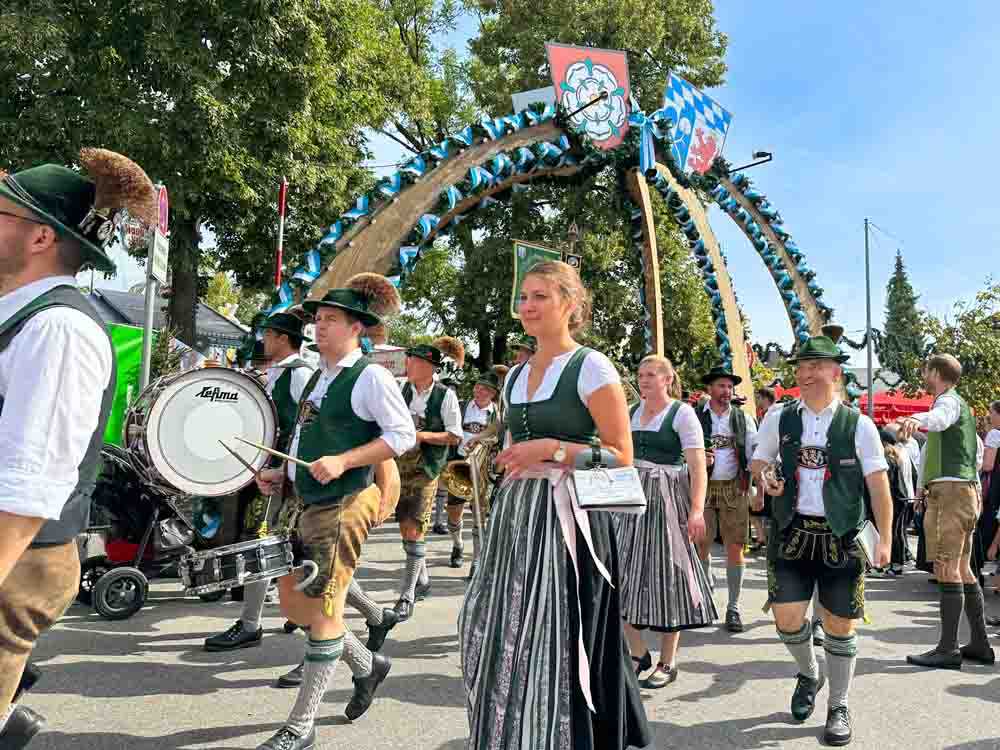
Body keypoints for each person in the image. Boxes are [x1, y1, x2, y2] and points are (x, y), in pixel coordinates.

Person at [459, 260, 650, 750]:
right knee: (499, 622)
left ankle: (576, 734)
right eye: (524, 297)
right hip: (517, 514)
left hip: (571, 518)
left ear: (570, 303)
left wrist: (550, 449)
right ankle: (518, 728)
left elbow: (621, 455)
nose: (527, 306)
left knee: (566, 631)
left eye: (541, 296)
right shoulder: (516, 375)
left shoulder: (591, 366)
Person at [0, 149, 156, 748]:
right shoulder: (24, 317)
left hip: (17, 559)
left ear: (40, 236)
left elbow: (28, 483)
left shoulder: (58, 328)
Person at [253, 273, 416, 750]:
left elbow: (401, 435)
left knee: (324, 608)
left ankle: (302, 726)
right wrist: (279, 474)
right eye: (318, 320)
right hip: (303, 498)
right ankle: (368, 665)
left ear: (356, 328)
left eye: (330, 320)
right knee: (294, 605)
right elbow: (305, 438)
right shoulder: (318, 377)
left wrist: (345, 460)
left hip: (345, 501)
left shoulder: (371, 375)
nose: (319, 327)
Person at [752, 330, 892, 747]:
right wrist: (768, 479)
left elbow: (879, 485)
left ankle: (839, 704)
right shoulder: (779, 416)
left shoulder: (859, 424)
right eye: (802, 366)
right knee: (787, 619)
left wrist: (884, 539)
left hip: (842, 537)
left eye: (815, 366)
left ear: (835, 372)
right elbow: (760, 462)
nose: (806, 373)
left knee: (840, 625)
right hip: (792, 532)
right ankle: (809, 672)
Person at [205, 311, 315, 663]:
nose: (264, 340)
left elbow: (305, 429)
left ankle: (253, 624)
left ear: (283, 338)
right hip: (268, 472)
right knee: (268, 545)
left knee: (272, 546)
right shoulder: (275, 374)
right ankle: (258, 621)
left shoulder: (299, 376)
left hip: (286, 477)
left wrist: (284, 468)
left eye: (269, 334)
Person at [615, 354, 715, 688]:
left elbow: (698, 466)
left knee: (668, 577)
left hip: (668, 500)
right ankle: (637, 650)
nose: (643, 380)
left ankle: (668, 662)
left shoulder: (682, 414)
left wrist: (697, 510)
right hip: (632, 500)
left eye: (650, 375)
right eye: (640, 374)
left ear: (667, 380)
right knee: (621, 573)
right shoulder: (630, 412)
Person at [899, 354, 995, 669]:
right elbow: (974, 456)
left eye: (926, 371)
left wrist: (919, 419)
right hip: (962, 491)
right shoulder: (961, 412)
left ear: (937, 373)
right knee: (963, 568)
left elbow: (938, 419)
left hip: (952, 495)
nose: (923, 376)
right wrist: (923, 488)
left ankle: (948, 648)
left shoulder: (949, 402)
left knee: (946, 568)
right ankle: (979, 643)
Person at [394, 340, 463, 620]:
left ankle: (406, 595)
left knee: (414, 529)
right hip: (400, 467)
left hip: (427, 468)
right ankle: (422, 581)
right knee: (405, 529)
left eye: (414, 361)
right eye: (409, 359)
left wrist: (419, 436)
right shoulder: (403, 389)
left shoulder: (446, 396)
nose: (408, 364)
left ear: (430, 367)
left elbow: (455, 436)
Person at [695, 366, 758, 632]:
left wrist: (760, 487)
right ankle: (705, 591)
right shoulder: (695, 417)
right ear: (710, 389)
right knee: (700, 544)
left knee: (735, 546)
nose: (726, 391)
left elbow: (755, 452)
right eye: (721, 386)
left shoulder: (743, 419)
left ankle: (733, 607)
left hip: (735, 487)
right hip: (703, 486)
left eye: (729, 387)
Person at [445, 370, 500, 571]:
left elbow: (498, 439)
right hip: (459, 463)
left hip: (482, 466)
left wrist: (482, 442)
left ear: (493, 394)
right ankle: (457, 544)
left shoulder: (497, 414)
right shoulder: (460, 406)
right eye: (478, 386)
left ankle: (476, 560)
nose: (479, 391)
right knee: (453, 512)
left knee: (479, 513)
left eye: (485, 389)